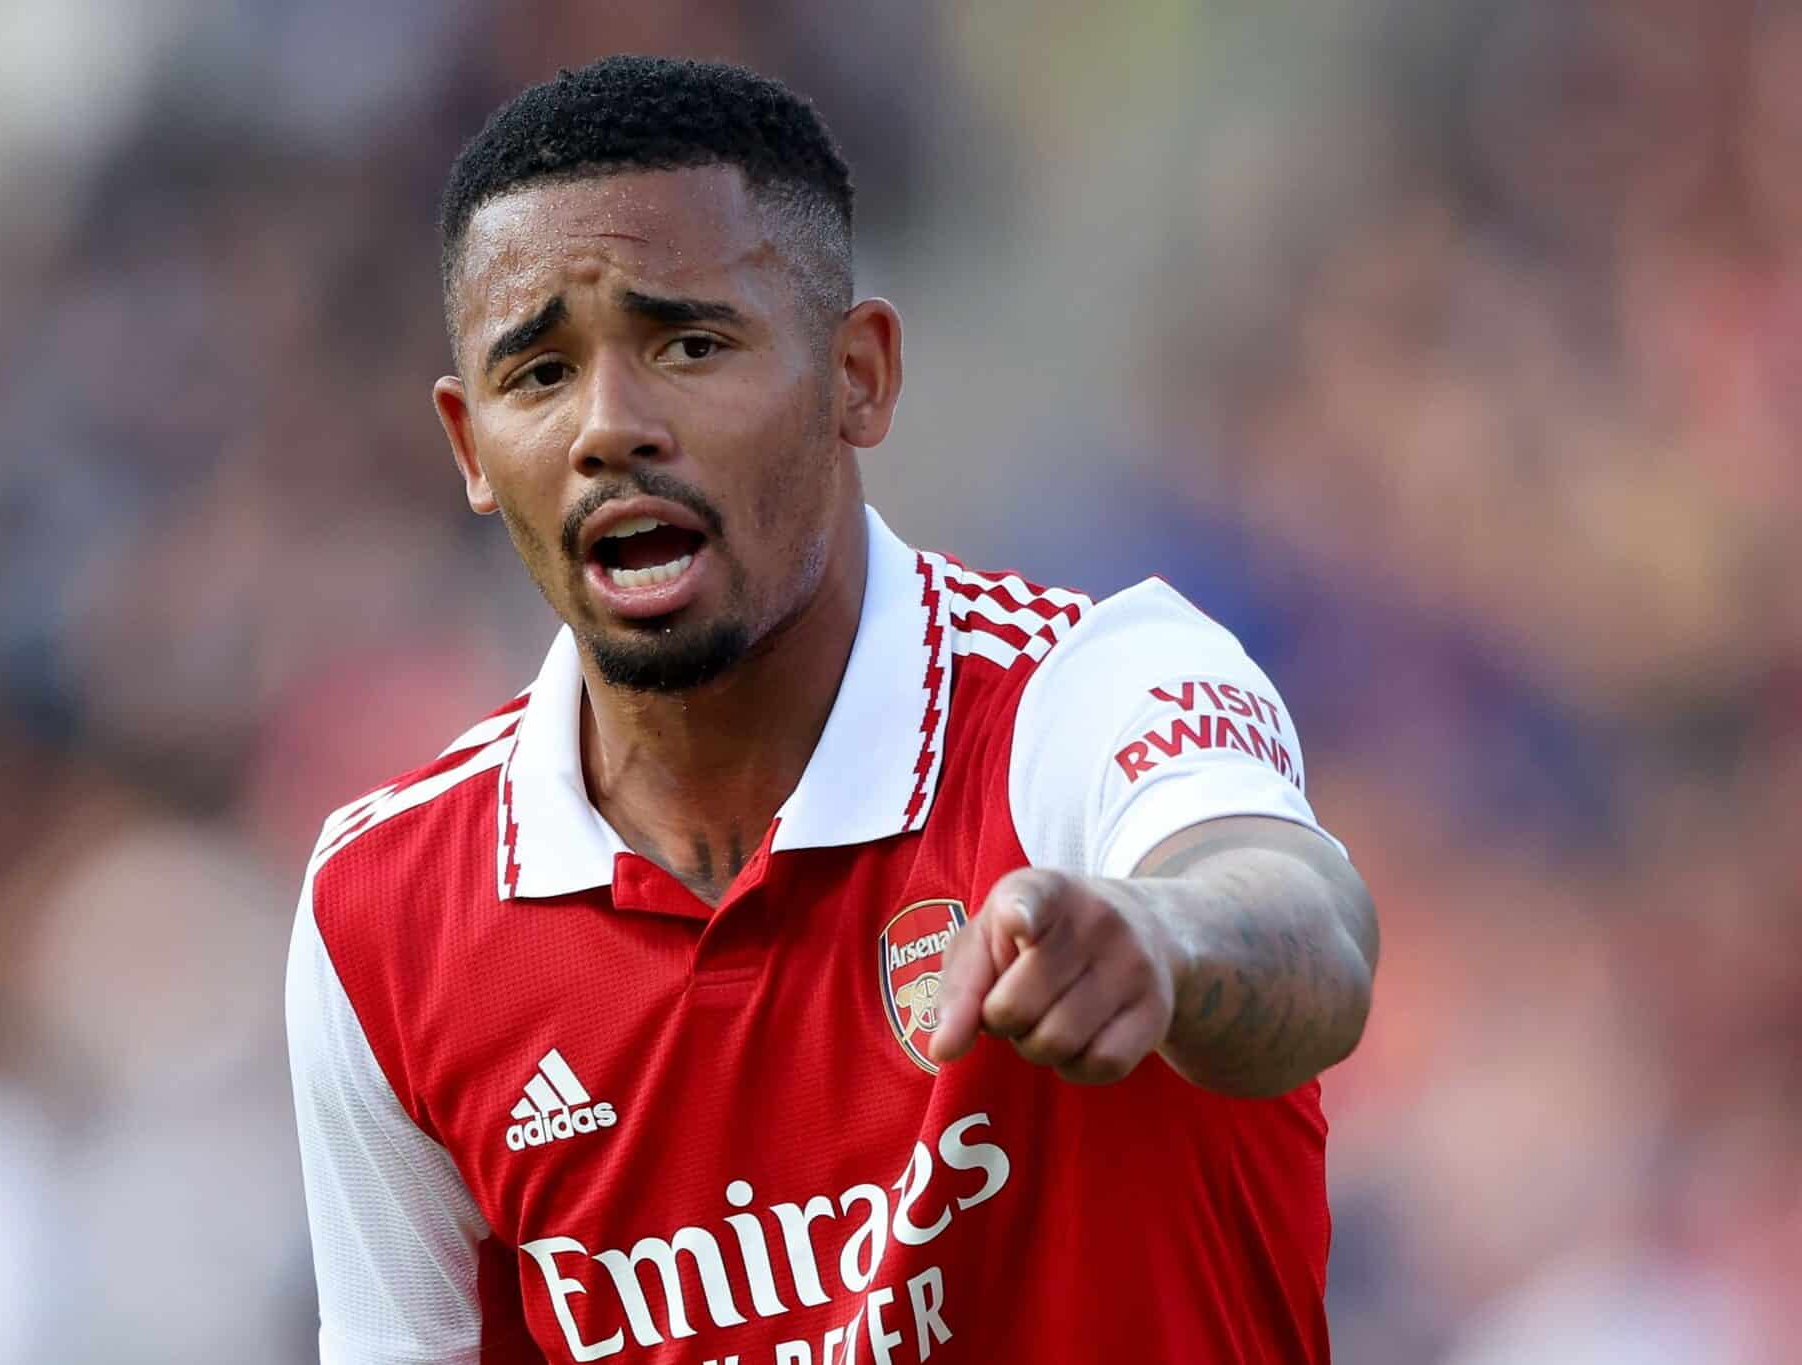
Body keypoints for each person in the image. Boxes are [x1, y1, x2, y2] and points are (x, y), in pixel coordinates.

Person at [287, 55, 1378, 1365]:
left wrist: (1164, 932)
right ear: (470, 448)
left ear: (858, 374)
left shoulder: (1082, 693)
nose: (609, 427)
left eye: (690, 344)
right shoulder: (382, 912)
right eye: (539, 373)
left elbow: (1311, 928)